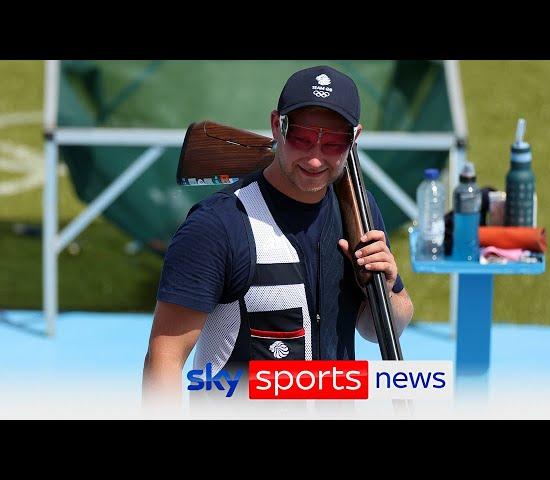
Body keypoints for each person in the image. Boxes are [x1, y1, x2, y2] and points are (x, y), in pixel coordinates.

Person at [142, 65, 414, 407]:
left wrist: (385, 288)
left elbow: (377, 331)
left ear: (354, 139)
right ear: (276, 125)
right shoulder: (217, 225)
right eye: (301, 138)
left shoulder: (359, 209)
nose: (315, 158)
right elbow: (164, 357)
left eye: (333, 143)